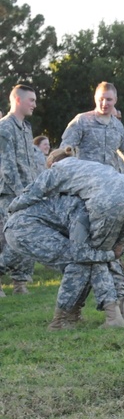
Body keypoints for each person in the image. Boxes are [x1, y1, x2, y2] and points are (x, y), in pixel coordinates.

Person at [5, 147, 124, 329]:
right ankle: (111, 313)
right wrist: (113, 253)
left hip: (106, 204)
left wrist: (11, 208)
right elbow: (87, 254)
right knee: (90, 259)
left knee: (87, 260)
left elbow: (33, 191)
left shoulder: (62, 177)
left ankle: (78, 318)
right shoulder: (90, 171)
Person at [60, 82, 124, 192]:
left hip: (110, 185)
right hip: (87, 185)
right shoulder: (81, 121)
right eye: (101, 99)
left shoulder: (118, 127)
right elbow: (64, 151)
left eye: (109, 99)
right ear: (95, 98)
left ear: (115, 100)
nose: (104, 103)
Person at [0, 85, 40, 297]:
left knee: (26, 237)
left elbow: (31, 163)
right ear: (18, 100)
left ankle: (19, 282)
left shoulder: (26, 128)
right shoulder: (4, 128)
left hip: (27, 192)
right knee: (5, 238)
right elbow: (7, 166)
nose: (34, 104)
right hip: (9, 194)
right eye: (31, 100)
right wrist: (20, 195)